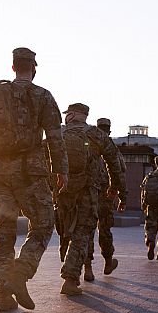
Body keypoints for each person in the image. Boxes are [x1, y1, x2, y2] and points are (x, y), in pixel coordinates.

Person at [0, 47, 68, 311]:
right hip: (30, 173)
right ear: (34, 68)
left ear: (13, 67)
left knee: (5, 232)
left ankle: (4, 295)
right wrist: (60, 169)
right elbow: (54, 136)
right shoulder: (42, 95)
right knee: (43, 224)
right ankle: (20, 274)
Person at [57, 103, 125, 296]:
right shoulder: (96, 134)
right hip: (87, 190)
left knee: (67, 230)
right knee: (83, 232)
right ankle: (71, 279)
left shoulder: (58, 133)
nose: (67, 116)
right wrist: (115, 188)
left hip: (62, 190)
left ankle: (74, 264)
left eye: (69, 113)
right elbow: (115, 163)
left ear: (74, 114)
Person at [83, 117, 127, 281]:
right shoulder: (111, 148)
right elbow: (119, 174)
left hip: (89, 193)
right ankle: (108, 262)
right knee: (105, 230)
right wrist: (122, 197)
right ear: (109, 130)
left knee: (88, 231)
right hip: (106, 196)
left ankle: (87, 268)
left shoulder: (87, 145)